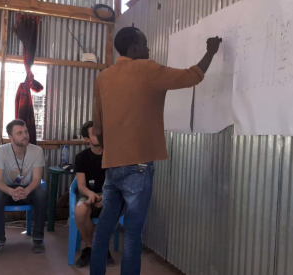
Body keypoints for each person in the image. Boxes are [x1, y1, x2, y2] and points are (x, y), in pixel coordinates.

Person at [90, 27, 222, 275]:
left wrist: (114, 151)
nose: (149, 49)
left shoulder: (103, 77)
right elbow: (191, 76)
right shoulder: (147, 69)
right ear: (134, 49)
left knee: (104, 229)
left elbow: (97, 129)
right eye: (145, 43)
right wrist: (210, 52)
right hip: (137, 167)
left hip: (112, 166)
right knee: (132, 235)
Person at [0, 119, 47, 256]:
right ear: (11, 137)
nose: (24, 135)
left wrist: (26, 191)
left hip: (28, 189)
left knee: (41, 195)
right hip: (7, 190)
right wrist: (11, 191)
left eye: (25, 132)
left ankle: (38, 239)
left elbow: (37, 179)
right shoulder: (0, 151)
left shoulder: (37, 151)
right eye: (19, 133)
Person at [73, 121, 115, 268]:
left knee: (114, 207)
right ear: (87, 139)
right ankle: (91, 247)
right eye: (94, 134)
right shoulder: (81, 157)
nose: (99, 135)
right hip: (88, 193)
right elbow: (81, 186)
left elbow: (117, 183)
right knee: (80, 210)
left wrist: (105, 196)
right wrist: (92, 195)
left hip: (110, 194)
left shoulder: (113, 156)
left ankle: (102, 247)